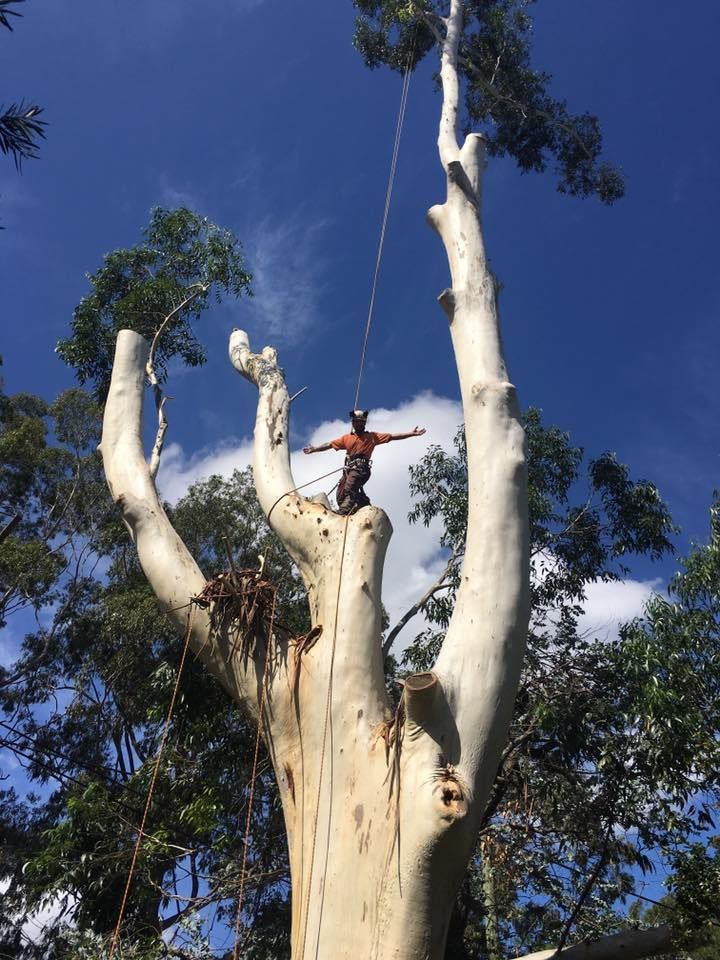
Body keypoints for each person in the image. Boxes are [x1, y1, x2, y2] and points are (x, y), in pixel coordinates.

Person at [303, 409, 426, 516]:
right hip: (349, 469)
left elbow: (393, 436)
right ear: (353, 423)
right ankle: (362, 503)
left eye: (361, 422)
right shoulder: (347, 438)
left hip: (361, 469)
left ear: (364, 423)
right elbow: (329, 444)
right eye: (356, 421)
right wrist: (314, 449)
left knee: (350, 487)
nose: (358, 424)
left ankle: (343, 512)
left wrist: (411, 434)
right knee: (341, 494)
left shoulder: (372, 437)